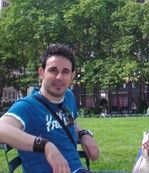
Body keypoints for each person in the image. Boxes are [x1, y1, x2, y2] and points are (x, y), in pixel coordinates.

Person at [0, 43, 100, 173]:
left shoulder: (68, 96)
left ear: (72, 76)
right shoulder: (27, 106)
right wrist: (45, 146)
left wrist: (84, 134)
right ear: (41, 73)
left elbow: (72, 123)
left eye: (65, 72)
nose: (59, 77)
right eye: (53, 70)